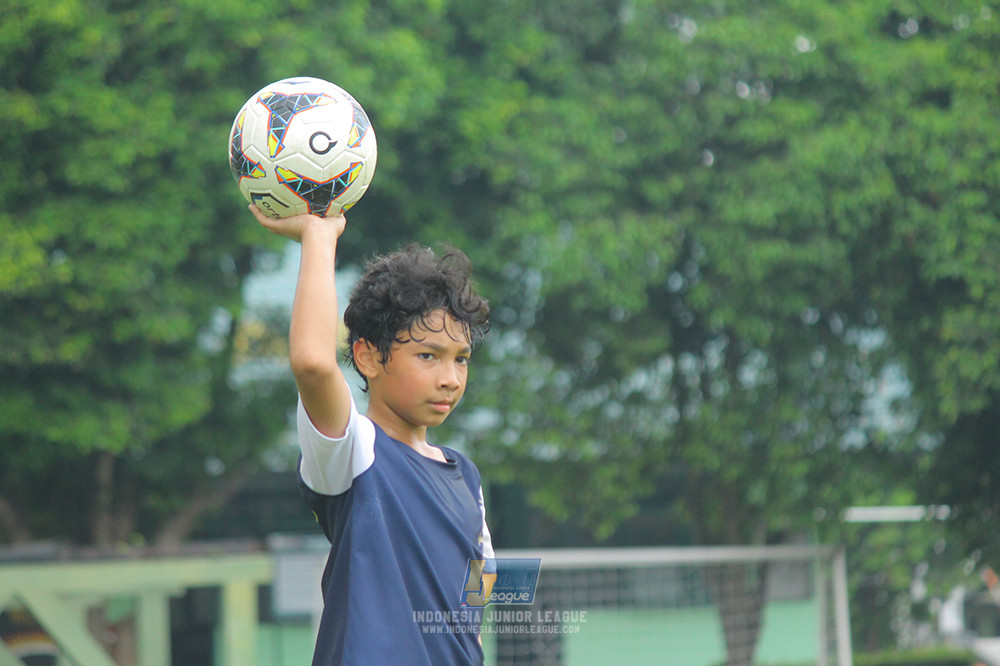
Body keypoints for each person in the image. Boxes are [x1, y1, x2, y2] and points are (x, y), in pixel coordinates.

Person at [250, 205, 495, 666]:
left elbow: (476, 600)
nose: (450, 377)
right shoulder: (355, 451)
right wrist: (319, 235)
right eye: (428, 356)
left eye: (460, 358)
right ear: (366, 356)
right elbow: (313, 364)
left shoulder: (466, 476)